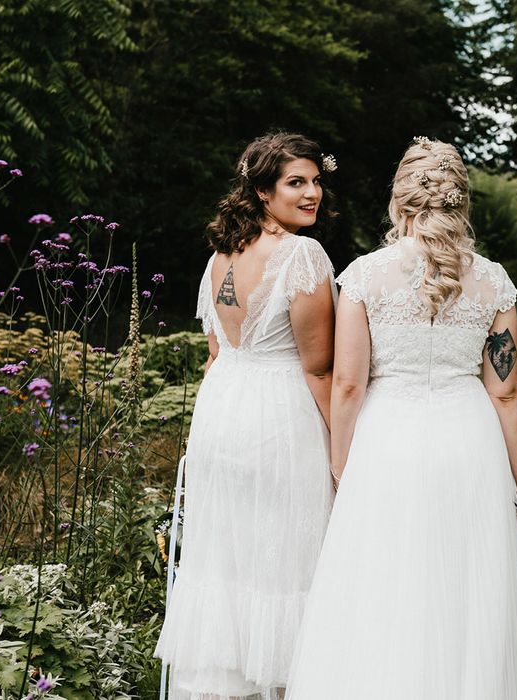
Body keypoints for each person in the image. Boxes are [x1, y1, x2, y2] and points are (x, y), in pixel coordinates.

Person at [286, 137, 517, 700]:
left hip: (388, 443)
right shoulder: (493, 279)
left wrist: (340, 466)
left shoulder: (363, 276)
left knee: (385, 586)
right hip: (469, 442)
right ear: (461, 203)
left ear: (398, 202)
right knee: (468, 592)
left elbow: (350, 383)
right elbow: (504, 392)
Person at [154, 132, 338, 700]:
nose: (313, 193)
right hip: (280, 419)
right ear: (262, 191)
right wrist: (345, 453)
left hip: (223, 412)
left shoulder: (218, 257)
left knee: (232, 559)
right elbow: (319, 369)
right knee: (284, 559)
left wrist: (199, 439)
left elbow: (215, 354)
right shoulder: (302, 256)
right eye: (296, 182)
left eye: (316, 180)